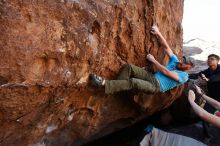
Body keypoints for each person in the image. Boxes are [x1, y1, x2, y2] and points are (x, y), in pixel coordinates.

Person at [90, 25, 193, 95]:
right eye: (183, 60)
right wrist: (158, 33)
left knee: (133, 82)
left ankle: (104, 84)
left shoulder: (184, 76)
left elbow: (166, 72)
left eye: (185, 63)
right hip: (151, 77)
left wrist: (153, 60)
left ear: (189, 68)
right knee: (129, 67)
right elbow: (166, 46)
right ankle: (117, 87)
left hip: (156, 87)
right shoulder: (175, 61)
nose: (182, 62)